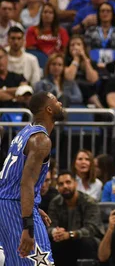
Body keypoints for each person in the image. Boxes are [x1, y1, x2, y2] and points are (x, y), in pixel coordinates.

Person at [0, 92, 66, 265]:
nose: (61, 103)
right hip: (14, 207)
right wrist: (28, 226)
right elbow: (26, 183)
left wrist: (33, 205)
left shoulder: (24, 132)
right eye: (56, 101)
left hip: (9, 204)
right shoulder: (41, 140)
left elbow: (15, 176)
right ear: (49, 109)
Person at [47, 170, 104, 266]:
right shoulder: (55, 203)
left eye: (68, 182)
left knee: (86, 242)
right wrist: (55, 232)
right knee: (54, 243)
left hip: (86, 240)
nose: (65, 186)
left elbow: (91, 229)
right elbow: (50, 226)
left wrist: (71, 234)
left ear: (75, 184)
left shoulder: (89, 202)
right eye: (61, 184)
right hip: (64, 240)